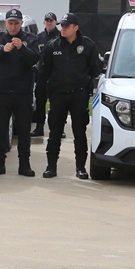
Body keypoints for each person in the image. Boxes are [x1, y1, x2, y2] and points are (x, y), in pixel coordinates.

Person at [40, 12, 100, 179]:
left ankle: (80, 168)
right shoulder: (53, 46)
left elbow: (95, 69)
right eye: (62, 26)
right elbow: (45, 70)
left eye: (67, 26)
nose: (63, 29)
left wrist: (88, 86)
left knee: (79, 132)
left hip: (79, 95)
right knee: (55, 132)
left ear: (76, 28)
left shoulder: (88, 46)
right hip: (58, 95)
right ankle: (51, 167)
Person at [0, 8, 39, 177]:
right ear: (5, 23)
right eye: (10, 23)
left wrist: (22, 48)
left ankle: (25, 165)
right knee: (0, 129)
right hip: (2, 92)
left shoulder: (30, 39)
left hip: (23, 93)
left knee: (23, 130)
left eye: (16, 23)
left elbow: (35, 58)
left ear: (21, 23)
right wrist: (2, 50)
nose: (13, 26)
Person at [30, 12, 60, 137]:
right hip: (42, 74)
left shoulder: (61, 36)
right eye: (47, 21)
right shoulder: (39, 37)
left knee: (56, 104)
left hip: (56, 76)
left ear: (56, 22)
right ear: (44, 22)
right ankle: (39, 127)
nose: (49, 23)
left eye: (51, 21)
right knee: (40, 102)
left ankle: (58, 129)